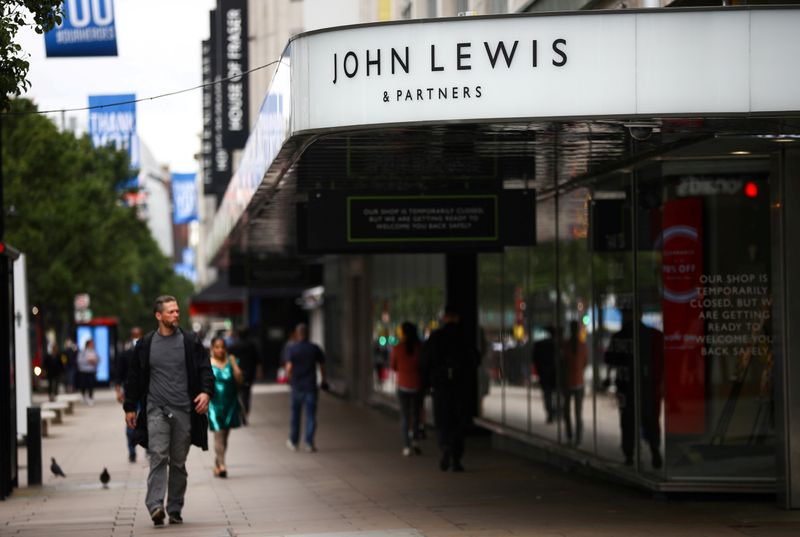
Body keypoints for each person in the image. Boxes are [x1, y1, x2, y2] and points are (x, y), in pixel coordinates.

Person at [123, 295, 214, 526]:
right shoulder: (145, 344)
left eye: (176, 311)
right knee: (158, 456)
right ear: (158, 315)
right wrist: (130, 406)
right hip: (156, 410)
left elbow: (205, 370)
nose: (176, 315)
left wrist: (205, 392)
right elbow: (133, 378)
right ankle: (155, 505)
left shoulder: (190, 342)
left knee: (178, 463)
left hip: (184, 410)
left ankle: (174, 508)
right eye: (171, 312)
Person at [421, 305, 479, 472]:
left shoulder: (436, 337)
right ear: (457, 318)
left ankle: (445, 446)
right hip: (461, 386)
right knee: (459, 420)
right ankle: (456, 457)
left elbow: (425, 361)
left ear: (445, 317)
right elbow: (474, 359)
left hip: (441, 386)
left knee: (443, 419)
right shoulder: (464, 337)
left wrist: (427, 383)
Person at [604, 307, 663, 469]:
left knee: (628, 422)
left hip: (627, 387)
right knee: (650, 420)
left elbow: (609, 359)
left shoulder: (620, 336)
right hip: (647, 386)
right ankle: (653, 451)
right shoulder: (654, 335)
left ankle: (630, 455)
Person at [284, 323, 327, 453]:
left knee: (295, 415)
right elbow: (322, 365)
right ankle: (309, 442)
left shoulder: (292, 348)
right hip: (310, 385)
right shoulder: (314, 348)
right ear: (308, 334)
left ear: (297, 334)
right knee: (311, 416)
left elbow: (289, 367)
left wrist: (289, 379)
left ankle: (293, 441)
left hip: (297, 386)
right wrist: (323, 379)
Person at [208, 337, 244, 477]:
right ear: (212, 348)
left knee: (225, 437)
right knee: (218, 434)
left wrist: (234, 364)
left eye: (222, 347)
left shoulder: (232, 362)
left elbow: (240, 381)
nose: (220, 350)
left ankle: (218, 464)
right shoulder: (208, 364)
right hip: (214, 405)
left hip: (230, 404)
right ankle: (222, 466)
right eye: (217, 347)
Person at [390, 321, 423, 457]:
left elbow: (393, 366)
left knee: (405, 416)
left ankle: (406, 446)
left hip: (403, 385)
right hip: (417, 385)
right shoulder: (420, 347)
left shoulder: (397, 348)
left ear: (402, 332)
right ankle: (415, 440)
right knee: (416, 414)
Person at [115, 327, 143, 462]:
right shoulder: (125, 354)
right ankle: (132, 450)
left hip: (146, 392)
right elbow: (119, 373)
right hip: (131, 392)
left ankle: (149, 448)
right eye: (134, 335)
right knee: (131, 422)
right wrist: (118, 390)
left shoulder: (147, 352)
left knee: (148, 421)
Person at [561, 320, 588, 445]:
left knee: (567, 411)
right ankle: (577, 438)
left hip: (568, 382)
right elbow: (585, 364)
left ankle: (570, 436)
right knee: (578, 412)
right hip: (578, 382)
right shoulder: (583, 345)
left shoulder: (566, 345)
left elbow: (563, 363)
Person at [227, 327, 258, 422]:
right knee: (246, 395)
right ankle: (245, 413)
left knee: (236, 394)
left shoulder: (233, 346)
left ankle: (240, 412)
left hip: (235, 373)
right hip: (249, 373)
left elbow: (227, 359)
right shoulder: (251, 345)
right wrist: (259, 372)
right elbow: (257, 359)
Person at [532, 326, 558, 424]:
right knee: (554, 395)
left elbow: (535, 359)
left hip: (544, 374)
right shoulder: (556, 345)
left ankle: (550, 413)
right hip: (554, 375)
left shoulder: (539, 345)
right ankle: (553, 413)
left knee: (547, 395)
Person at [77, 339, 99, 405]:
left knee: (91, 384)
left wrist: (95, 361)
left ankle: (90, 397)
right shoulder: (83, 352)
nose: (93, 345)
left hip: (91, 370)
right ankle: (83, 395)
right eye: (91, 343)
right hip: (84, 370)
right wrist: (88, 361)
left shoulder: (94, 351)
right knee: (83, 384)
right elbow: (79, 360)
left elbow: (98, 359)